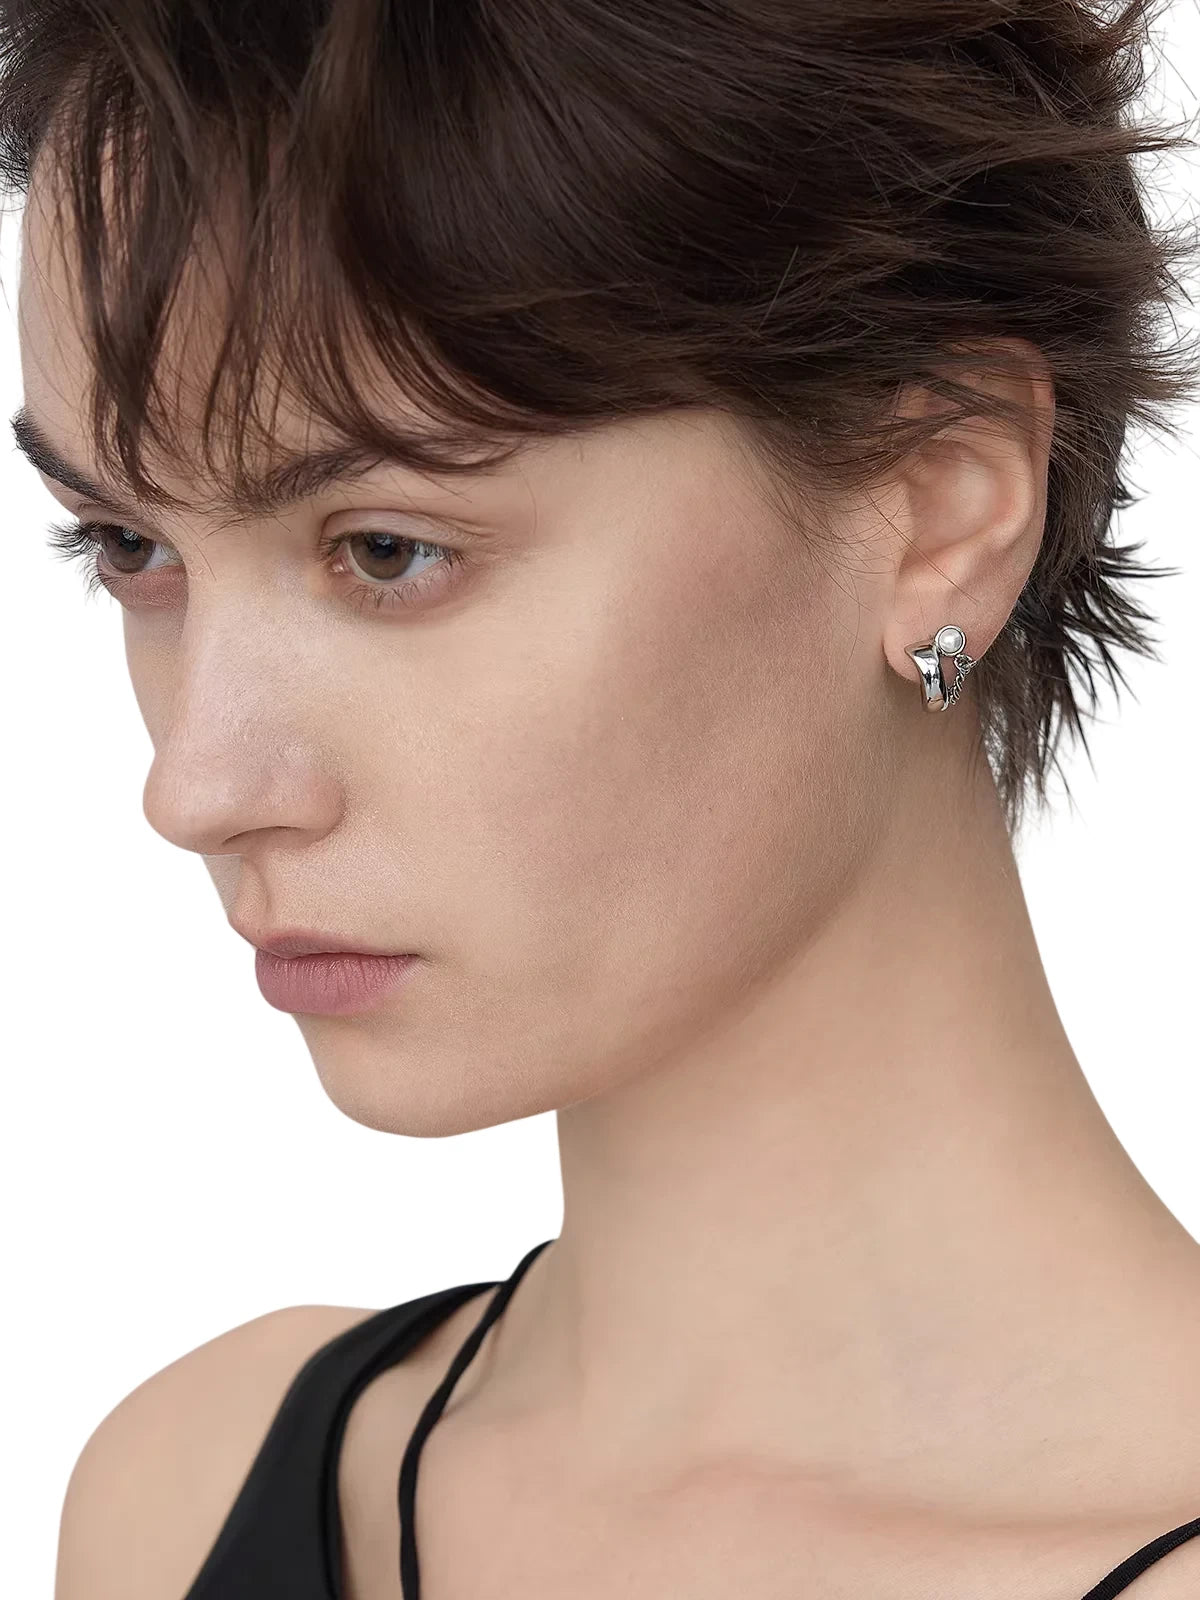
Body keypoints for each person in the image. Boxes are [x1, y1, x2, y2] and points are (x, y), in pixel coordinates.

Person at [3, 0, 1198, 1595]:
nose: (196, 786)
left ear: (940, 503)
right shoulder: (179, 1495)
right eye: (132, 546)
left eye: (387, 550)